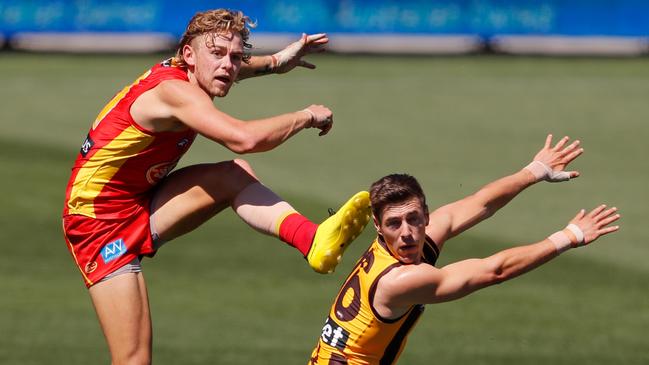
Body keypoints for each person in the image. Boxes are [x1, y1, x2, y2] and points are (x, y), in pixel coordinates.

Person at [61, 9, 371, 365]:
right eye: (218, 54)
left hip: (140, 199)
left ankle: (313, 240)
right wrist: (305, 116)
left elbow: (228, 66)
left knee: (232, 177)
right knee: (133, 359)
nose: (229, 65)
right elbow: (243, 139)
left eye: (236, 56)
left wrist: (276, 61)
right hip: (97, 223)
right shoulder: (174, 93)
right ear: (188, 56)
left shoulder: (196, 73)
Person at [309, 135, 620, 365]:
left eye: (413, 219)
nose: (406, 233)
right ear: (377, 226)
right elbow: (493, 271)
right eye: (394, 224)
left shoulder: (404, 245)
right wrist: (569, 236)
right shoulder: (399, 280)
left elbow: (481, 203)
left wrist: (535, 170)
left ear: (426, 216)